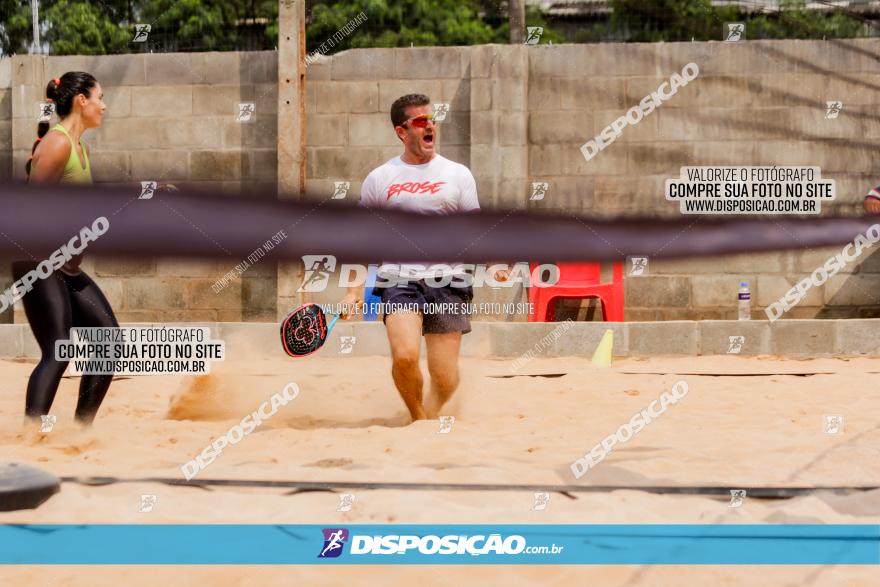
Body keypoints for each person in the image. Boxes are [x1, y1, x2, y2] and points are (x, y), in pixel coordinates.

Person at [339, 93, 507, 422]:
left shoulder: (458, 174)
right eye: (420, 121)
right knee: (404, 357)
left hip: (449, 281)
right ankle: (418, 418)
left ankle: (430, 410)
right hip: (398, 279)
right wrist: (353, 290)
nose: (430, 126)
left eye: (432, 120)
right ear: (402, 132)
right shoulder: (379, 179)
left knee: (444, 377)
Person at [13, 72, 118, 425]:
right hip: (40, 263)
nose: (104, 105)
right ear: (81, 101)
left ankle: (80, 430)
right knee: (59, 350)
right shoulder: (58, 144)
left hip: (66, 269)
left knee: (108, 342)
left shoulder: (79, 147)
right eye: (100, 97)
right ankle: (31, 433)